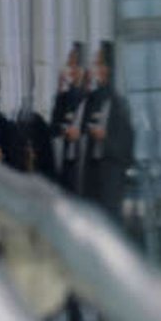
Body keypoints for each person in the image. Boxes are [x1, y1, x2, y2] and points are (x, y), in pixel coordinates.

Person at [75, 41, 135, 222]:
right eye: (96, 64)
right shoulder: (93, 99)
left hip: (110, 185)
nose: (96, 69)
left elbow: (126, 151)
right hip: (91, 181)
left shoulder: (119, 105)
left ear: (109, 68)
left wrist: (105, 139)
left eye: (100, 64)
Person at [52, 42, 89, 192]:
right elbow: (53, 128)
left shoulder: (90, 97)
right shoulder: (63, 97)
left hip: (84, 164)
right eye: (69, 64)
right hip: (66, 161)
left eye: (74, 65)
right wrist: (64, 130)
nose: (70, 69)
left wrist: (80, 132)